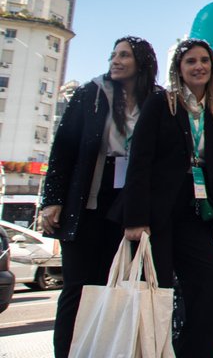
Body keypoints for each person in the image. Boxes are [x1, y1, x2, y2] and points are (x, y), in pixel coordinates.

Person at [41, 36, 160, 358]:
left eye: (125, 55)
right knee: (77, 288)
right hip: (88, 198)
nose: (116, 60)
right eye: (114, 55)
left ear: (142, 61)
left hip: (130, 202)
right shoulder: (91, 94)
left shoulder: (157, 99)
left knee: (115, 287)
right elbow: (63, 148)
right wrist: (52, 200)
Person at [123, 38, 213, 358]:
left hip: (196, 212)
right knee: (157, 292)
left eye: (204, 61)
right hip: (155, 215)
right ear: (179, 69)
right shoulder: (163, 104)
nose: (198, 66)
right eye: (190, 62)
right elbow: (139, 162)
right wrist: (135, 219)